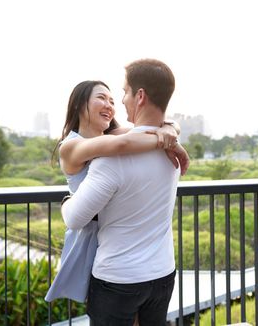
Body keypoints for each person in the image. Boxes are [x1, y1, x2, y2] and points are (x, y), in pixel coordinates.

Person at [45, 80, 189, 304]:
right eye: (101, 98)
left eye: (112, 100)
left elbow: (160, 126)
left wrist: (170, 130)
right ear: (77, 105)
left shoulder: (114, 134)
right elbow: (125, 145)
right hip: (90, 238)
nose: (109, 105)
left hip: (115, 237)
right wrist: (168, 141)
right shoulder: (71, 146)